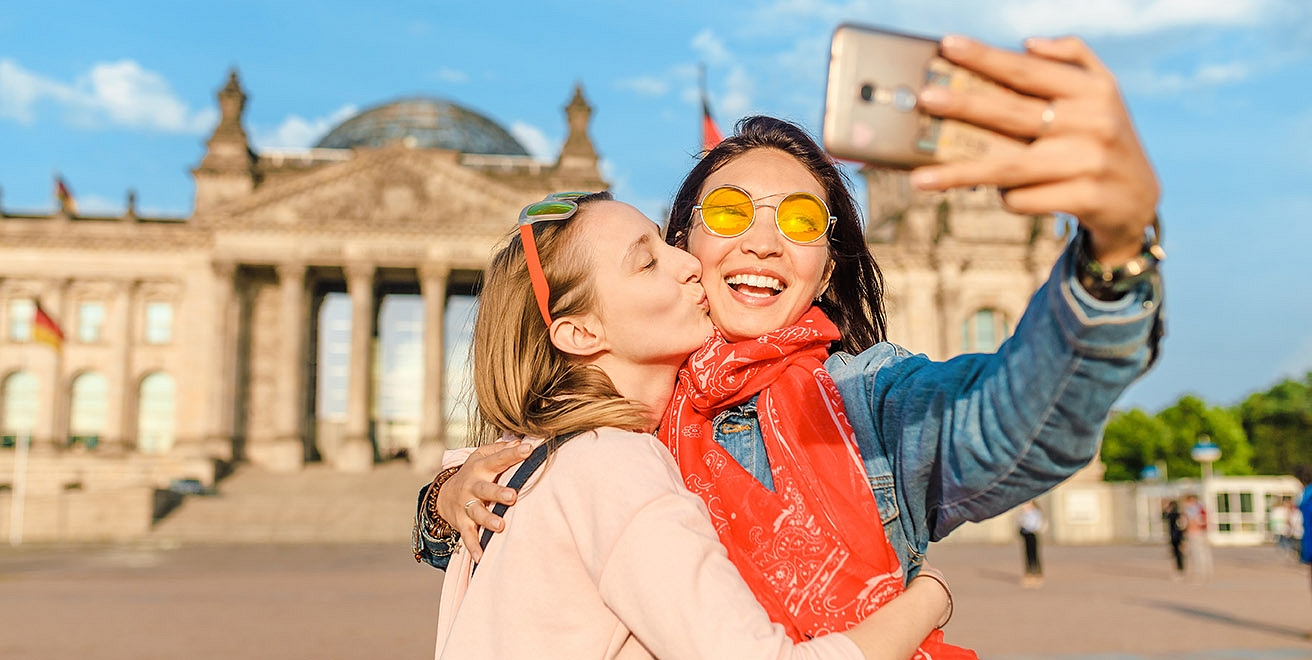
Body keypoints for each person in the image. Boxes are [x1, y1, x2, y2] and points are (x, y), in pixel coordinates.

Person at [421, 33, 1164, 636]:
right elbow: (498, 525)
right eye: (732, 212)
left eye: (803, 222)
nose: (766, 243)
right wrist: (443, 498)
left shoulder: (870, 402)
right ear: (683, 244)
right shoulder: (609, 414)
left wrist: (1113, 257)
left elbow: (1014, 421)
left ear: (824, 268)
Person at [434, 191, 965, 659]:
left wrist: (439, 500)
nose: (687, 263)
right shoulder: (612, 464)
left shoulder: (520, 464)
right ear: (579, 333)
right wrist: (929, 597)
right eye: (647, 262)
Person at [1181, 494, 1213, 583]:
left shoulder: (1192, 509)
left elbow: (1189, 522)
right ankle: (1205, 572)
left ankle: (1201, 573)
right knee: (1204, 553)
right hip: (1200, 533)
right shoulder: (1200, 507)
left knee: (1198, 554)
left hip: (1195, 533)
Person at [1016, 502, 1044, 588]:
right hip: (1026, 534)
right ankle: (1028, 574)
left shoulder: (1036, 512)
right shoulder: (1023, 513)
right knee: (1027, 555)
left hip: (1033, 533)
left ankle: (1038, 574)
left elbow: (1037, 524)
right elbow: (1019, 522)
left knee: (1034, 555)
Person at [1162, 499, 1186, 580]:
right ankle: (1179, 569)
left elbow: (1181, 526)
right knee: (1175, 554)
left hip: (1177, 537)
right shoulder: (1172, 514)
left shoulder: (1176, 514)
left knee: (1179, 554)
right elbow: (1163, 516)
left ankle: (1181, 569)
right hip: (1173, 536)